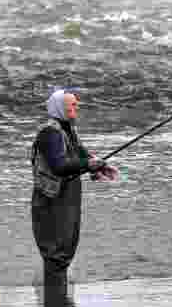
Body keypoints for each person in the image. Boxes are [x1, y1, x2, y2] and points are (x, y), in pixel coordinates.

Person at [31, 89, 116, 287]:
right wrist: (87, 165)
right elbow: (59, 166)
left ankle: (56, 296)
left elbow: (80, 155)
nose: (76, 108)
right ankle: (54, 294)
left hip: (67, 195)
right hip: (52, 199)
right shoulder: (50, 133)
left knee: (67, 246)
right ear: (59, 107)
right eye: (72, 105)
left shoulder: (68, 128)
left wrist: (99, 166)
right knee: (56, 251)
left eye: (76, 105)